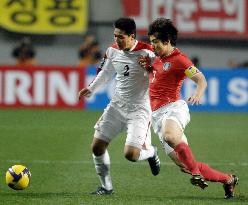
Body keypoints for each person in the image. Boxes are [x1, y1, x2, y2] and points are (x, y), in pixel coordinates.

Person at [138, 18, 238, 199]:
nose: (152, 46)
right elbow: (156, 77)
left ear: (167, 41)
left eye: (155, 43)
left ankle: (196, 173)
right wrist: (148, 68)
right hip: (157, 117)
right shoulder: (156, 59)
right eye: (151, 42)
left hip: (174, 108)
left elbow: (201, 79)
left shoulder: (180, 59)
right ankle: (228, 180)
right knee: (185, 165)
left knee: (171, 136)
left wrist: (198, 94)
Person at [78, 17, 160, 195]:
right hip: (116, 106)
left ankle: (151, 152)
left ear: (132, 36)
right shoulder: (112, 51)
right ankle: (106, 187)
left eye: (120, 37)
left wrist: (151, 69)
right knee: (97, 147)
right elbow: (105, 73)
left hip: (140, 109)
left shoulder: (149, 53)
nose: (117, 40)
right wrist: (91, 89)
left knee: (131, 155)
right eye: (115, 36)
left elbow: (162, 75)